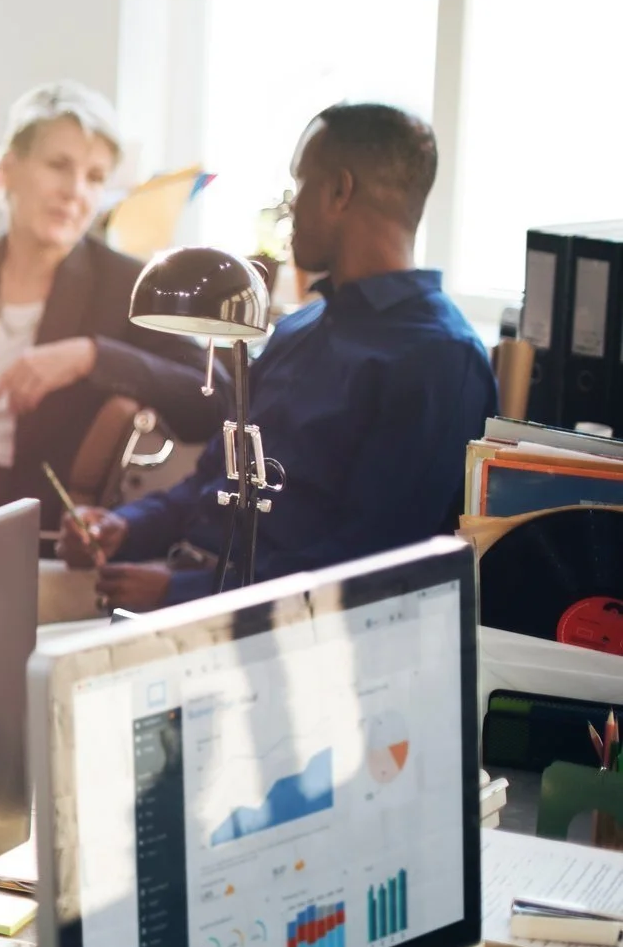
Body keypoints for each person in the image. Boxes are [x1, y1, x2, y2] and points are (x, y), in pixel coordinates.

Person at [60, 103, 495, 610]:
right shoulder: (299, 328)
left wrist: (182, 595)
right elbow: (213, 483)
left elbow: (373, 564)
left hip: (285, 637)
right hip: (193, 588)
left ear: (339, 191)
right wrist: (124, 528)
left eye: (299, 182)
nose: (288, 207)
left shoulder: (439, 359)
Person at [0, 82, 222, 522]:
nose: (75, 191)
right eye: (58, 165)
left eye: (94, 177)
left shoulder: (128, 284)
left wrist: (92, 356)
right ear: (9, 169)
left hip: (38, 522)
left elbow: (213, 399)